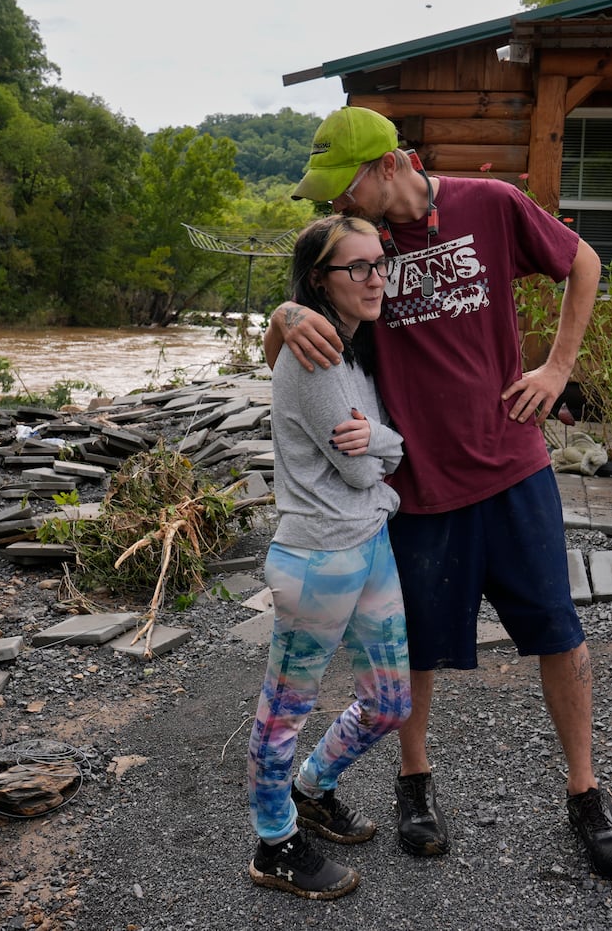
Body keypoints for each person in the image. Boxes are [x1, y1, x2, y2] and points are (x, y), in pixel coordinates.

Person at [264, 106, 612, 879]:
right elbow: (287, 329)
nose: (338, 204)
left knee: (558, 630)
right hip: (419, 483)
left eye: (346, 186)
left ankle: (586, 791)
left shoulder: (489, 203)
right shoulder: (358, 251)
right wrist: (285, 309)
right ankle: (415, 785)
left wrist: (558, 367)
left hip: (513, 467)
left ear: (392, 164)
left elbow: (585, 262)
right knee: (422, 647)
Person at [246, 214, 412, 900]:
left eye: (381, 263)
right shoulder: (313, 354)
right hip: (317, 557)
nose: (376, 278)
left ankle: (313, 786)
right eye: (357, 267)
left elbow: (373, 451)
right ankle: (274, 840)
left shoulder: (354, 346)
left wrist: (380, 441)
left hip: (369, 543)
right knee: (284, 708)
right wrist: (389, 446)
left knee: (391, 700)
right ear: (319, 279)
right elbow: (359, 469)